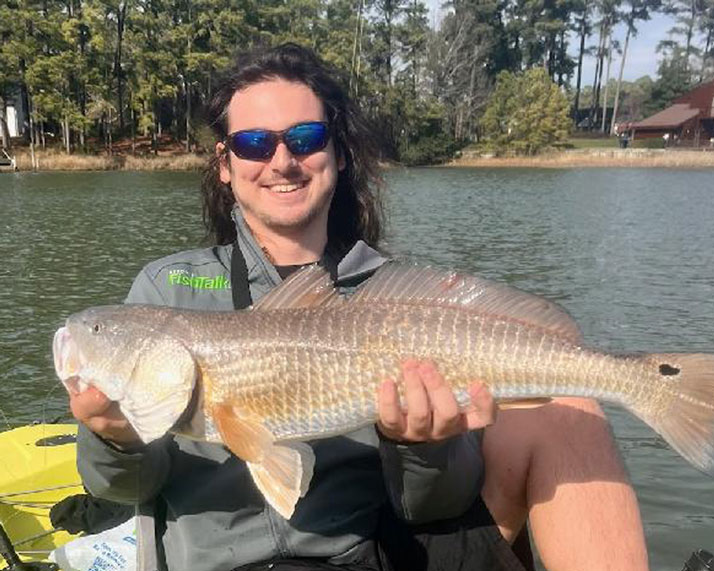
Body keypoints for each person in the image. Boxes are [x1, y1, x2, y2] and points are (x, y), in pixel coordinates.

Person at [68, 43, 648, 571]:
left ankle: (648, 383)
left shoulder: (393, 295)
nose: (281, 161)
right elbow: (123, 490)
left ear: (337, 154)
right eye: (252, 143)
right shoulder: (165, 288)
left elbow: (431, 507)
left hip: (369, 552)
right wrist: (116, 440)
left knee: (573, 405)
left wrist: (423, 447)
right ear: (225, 165)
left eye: (304, 138)